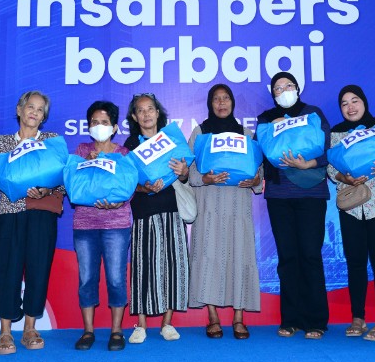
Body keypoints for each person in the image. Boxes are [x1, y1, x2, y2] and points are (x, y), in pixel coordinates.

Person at [327, 85, 375, 342]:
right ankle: (357, 318)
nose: (350, 107)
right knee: (355, 262)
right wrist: (345, 177)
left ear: (364, 102)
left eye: (355, 100)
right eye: (344, 103)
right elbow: (331, 170)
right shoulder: (336, 134)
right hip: (351, 206)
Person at [0, 91, 63, 355]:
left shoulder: (51, 141)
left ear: (44, 117)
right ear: (19, 110)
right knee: (9, 269)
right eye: (30, 107)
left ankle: (30, 328)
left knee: (38, 269)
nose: (34, 112)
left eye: (40, 110)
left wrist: (46, 189)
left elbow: (64, 178)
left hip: (42, 213)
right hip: (11, 212)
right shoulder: (0, 144)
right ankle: (5, 330)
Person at [257, 71, 331, 339]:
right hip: (279, 196)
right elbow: (260, 151)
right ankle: (291, 319)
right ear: (273, 94)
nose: (283, 90)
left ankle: (316, 320)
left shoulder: (313, 113)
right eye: (278, 88)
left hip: (311, 193)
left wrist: (310, 163)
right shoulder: (266, 119)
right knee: (287, 257)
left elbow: (328, 146)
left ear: (297, 88)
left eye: (288, 85)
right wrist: (273, 127)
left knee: (310, 254)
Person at [187, 84, 263, 340]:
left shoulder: (246, 134)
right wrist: (205, 179)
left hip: (238, 208)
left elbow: (259, 172)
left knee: (240, 256)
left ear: (232, 102)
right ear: (210, 104)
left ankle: (239, 317)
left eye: (226, 98)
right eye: (216, 99)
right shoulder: (200, 132)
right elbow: (189, 172)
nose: (221, 103)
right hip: (208, 207)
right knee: (208, 256)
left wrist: (255, 181)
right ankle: (213, 317)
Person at [124, 93, 189, 344]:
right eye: (140, 110)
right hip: (143, 213)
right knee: (143, 268)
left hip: (172, 209)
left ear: (158, 112)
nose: (146, 114)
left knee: (173, 265)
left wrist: (183, 172)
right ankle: (140, 325)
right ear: (134, 116)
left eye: (150, 109)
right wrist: (145, 188)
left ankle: (167, 323)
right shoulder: (130, 145)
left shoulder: (171, 139)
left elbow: (184, 176)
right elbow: (127, 184)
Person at [71, 101, 132, 352]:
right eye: (94, 122)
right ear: (88, 126)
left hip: (116, 224)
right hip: (85, 224)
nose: (99, 126)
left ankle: (117, 331)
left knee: (116, 278)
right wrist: (86, 162)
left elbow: (129, 186)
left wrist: (118, 203)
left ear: (114, 127)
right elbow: (73, 184)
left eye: (104, 122)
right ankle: (88, 331)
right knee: (87, 278)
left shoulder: (123, 153)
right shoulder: (81, 150)